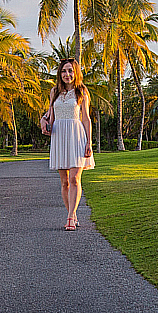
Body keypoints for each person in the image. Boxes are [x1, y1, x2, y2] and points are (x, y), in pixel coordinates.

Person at [40, 58, 94, 231]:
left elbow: (85, 118)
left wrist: (89, 142)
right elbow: (50, 114)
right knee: (64, 182)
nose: (67, 74)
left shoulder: (82, 92)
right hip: (59, 136)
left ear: (75, 72)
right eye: (64, 71)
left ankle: (70, 217)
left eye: (70, 71)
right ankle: (73, 213)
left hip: (76, 136)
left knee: (74, 178)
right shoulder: (54, 91)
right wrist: (43, 120)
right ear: (60, 73)